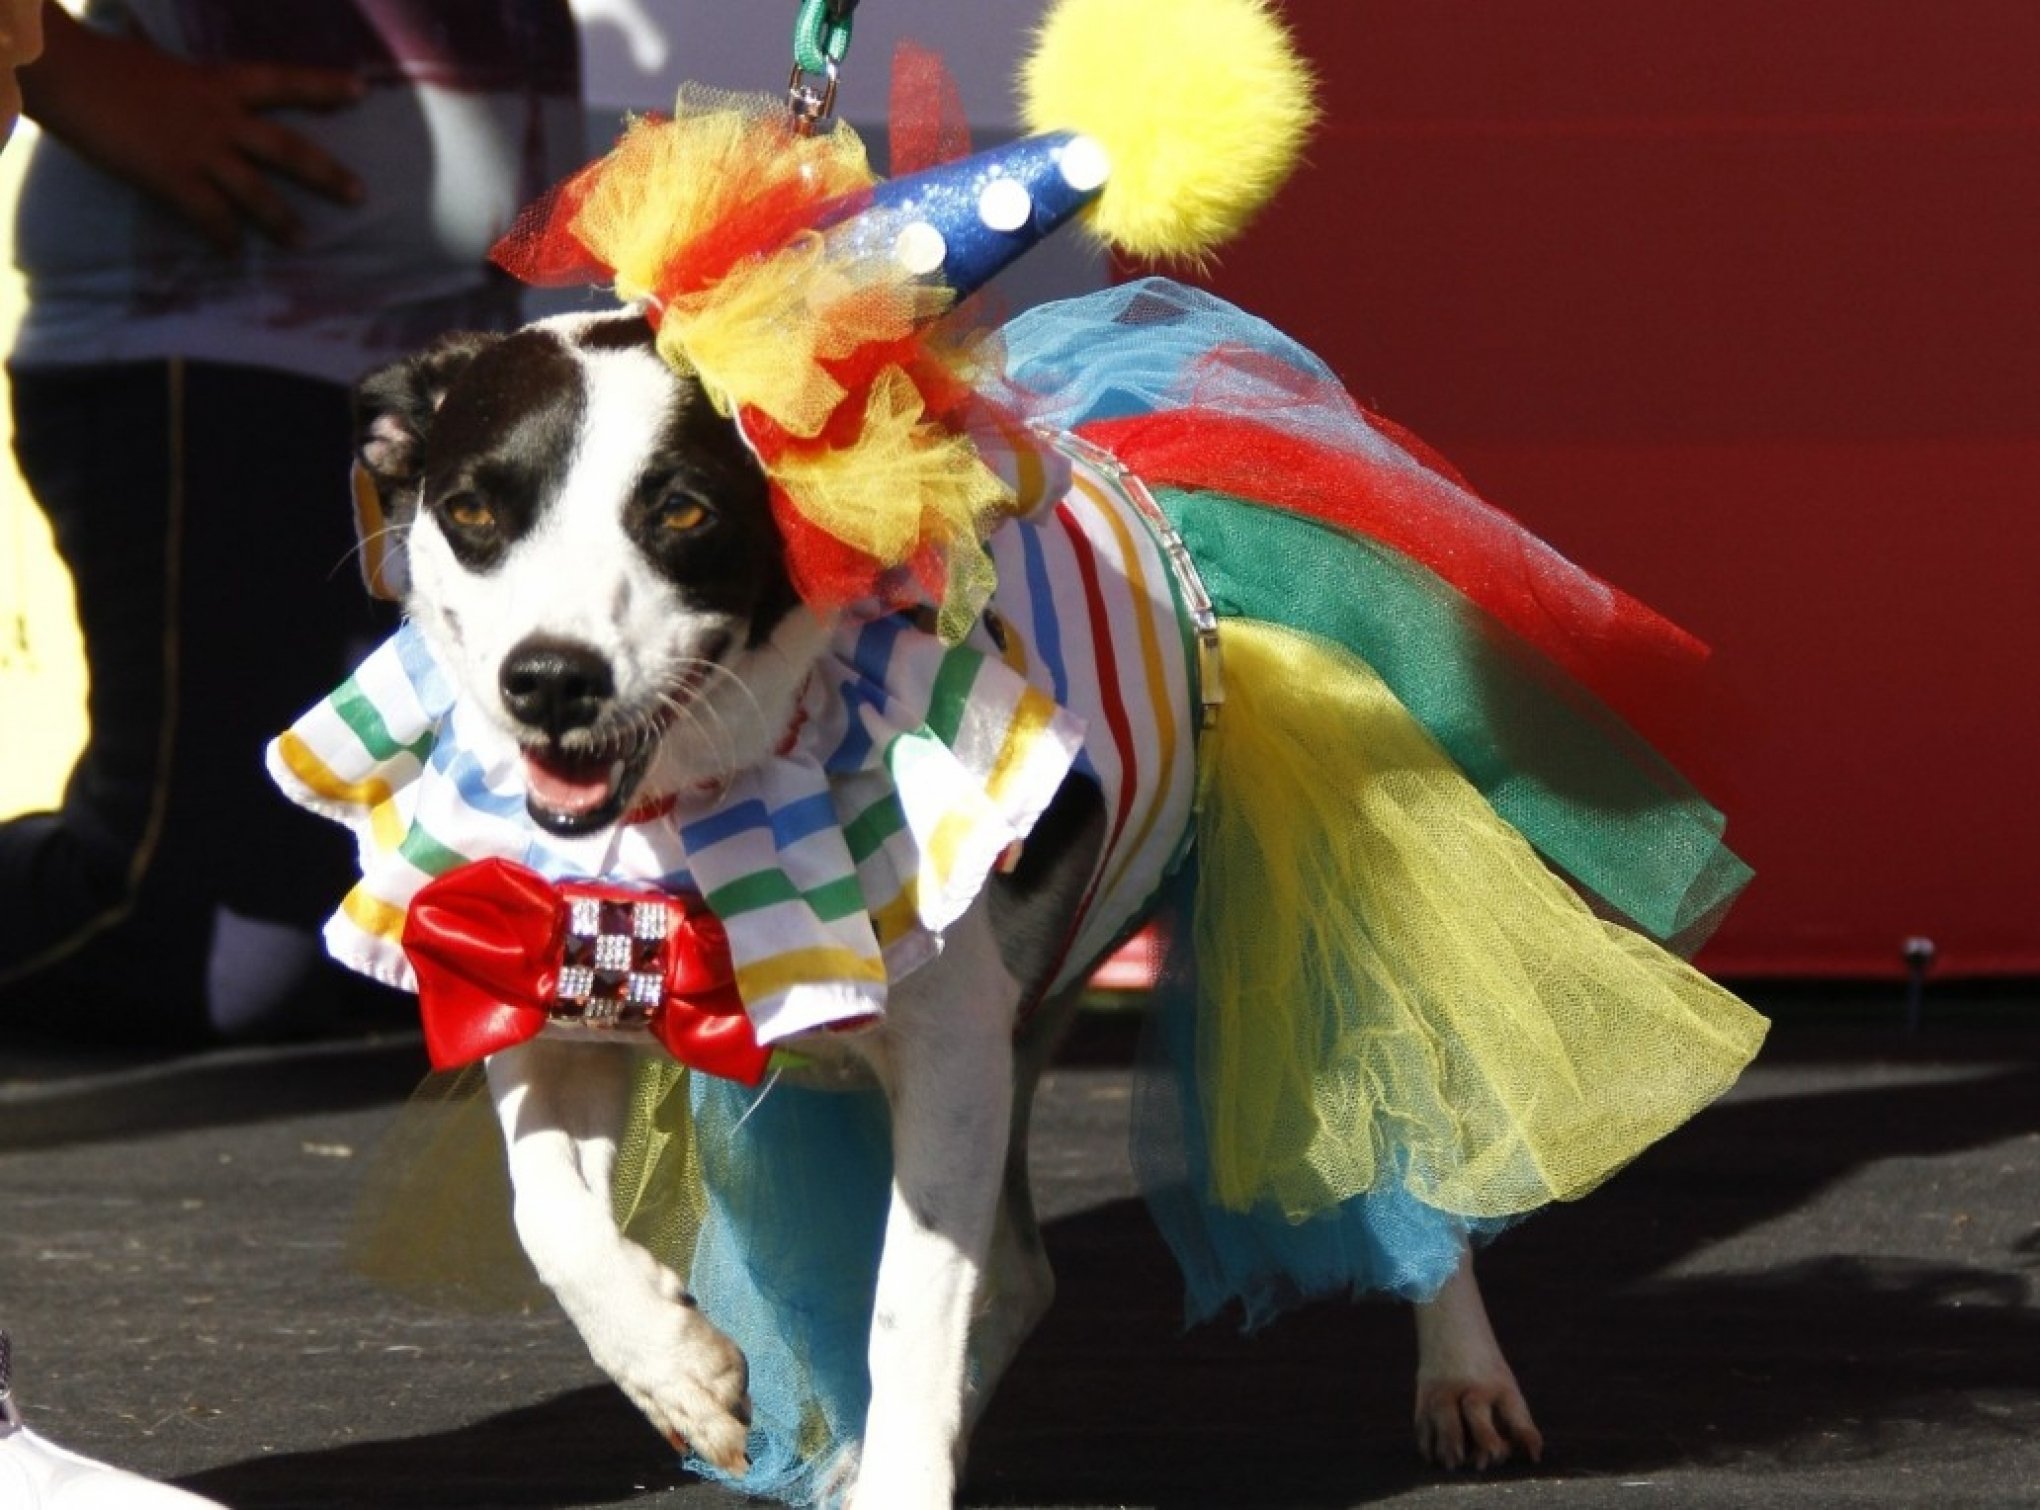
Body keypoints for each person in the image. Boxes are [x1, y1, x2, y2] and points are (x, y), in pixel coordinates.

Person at [0, 0, 583, 1047]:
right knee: (207, 940)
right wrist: (68, 70)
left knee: (390, 912)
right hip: (213, 326)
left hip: (475, 369)